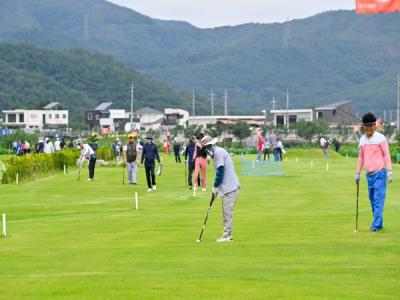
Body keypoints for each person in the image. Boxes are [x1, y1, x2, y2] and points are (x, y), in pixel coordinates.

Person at [355, 112, 392, 232]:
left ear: (375, 125)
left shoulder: (380, 138)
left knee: (378, 200)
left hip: (380, 173)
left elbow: (386, 155)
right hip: (369, 175)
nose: (369, 128)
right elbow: (361, 157)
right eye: (367, 126)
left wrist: (389, 171)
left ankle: (375, 226)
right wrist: (358, 173)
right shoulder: (362, 140)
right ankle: (379, 224)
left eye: (371, 126)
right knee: (372, 200)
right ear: (364, 127)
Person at [200, 135, 240, 242]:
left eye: (205, 149)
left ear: (209, 146)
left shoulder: (218, 153)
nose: (206, 152)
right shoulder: (218, 152)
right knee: (226, 211)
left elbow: (220, 171)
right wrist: (217, 189)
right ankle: (227, 234)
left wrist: (215, 187)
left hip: (230, 187)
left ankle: (227, 235)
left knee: (227, 212)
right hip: (228, 187)